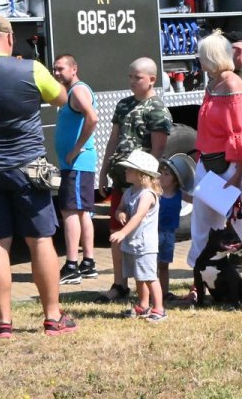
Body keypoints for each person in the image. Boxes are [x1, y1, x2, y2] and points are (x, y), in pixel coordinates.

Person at [0, 14, 75, 338]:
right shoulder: (31, 68)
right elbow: (62, 98)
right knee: (42, 239)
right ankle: (52, 317)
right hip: (33, 164)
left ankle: (3, 322)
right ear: (9, 39)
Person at [188, 31, 242, 304]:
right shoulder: (212, 84)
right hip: (209, 164)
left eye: (202, 54)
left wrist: (237, 176)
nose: (198, 58)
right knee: (201, 224)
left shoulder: (234, 84)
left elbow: (239, 133)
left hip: (232, 168)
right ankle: (198, 281)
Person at [96, 57, 172, 303]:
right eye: (130, 76)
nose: (131, 82)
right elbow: (113, 138)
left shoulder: (157, 109)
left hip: (139, 183)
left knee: (139, 235)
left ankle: (148, 289)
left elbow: (158, 150)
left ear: (151, 80)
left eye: (137, 77)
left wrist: (145, 181)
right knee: (116, 230)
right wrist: (104, 169)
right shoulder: (123, 105)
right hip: (120, 179)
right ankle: (119, 284)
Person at [52, 54, 100, 285]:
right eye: (54, 69)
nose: (57, 73)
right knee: (81, 213)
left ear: (74, 68)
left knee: (70, 212)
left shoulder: (78, 91)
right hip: (76, 164)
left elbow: (92, 118)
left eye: (61, 69)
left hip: (78, 164)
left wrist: (76, 149)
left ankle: (72, 266)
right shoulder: (72, 92)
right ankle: (88, 263)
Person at [109, 149, 167, 322]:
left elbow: (139, 216)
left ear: (141, 174)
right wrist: (119, 213)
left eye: (129, 169)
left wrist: (122, 232)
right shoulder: (129, 192)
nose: (125, 171)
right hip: (132, 243)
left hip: (144, 245)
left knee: (149, 277)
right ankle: (143, 305)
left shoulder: (148, 194)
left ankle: (159, 309)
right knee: (138, 276)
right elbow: (120, 208)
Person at [157, 153, 195, 300]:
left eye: (166, 174)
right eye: (161, 173)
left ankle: (164, 292)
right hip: (154, 233)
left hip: (169, 234)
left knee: (164, 265)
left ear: (175, 180)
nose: (162, 176)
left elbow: (194, 201)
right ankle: (151, 292)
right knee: (151, 265)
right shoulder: (156, 193)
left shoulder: (180, 194)